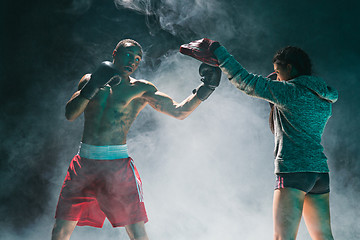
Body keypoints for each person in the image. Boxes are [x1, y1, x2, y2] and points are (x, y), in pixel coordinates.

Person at [51, 38, 221, 240]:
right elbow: (70, 114)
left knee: (137, 233)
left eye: (138, 58)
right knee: (60, 232)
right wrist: (93, 84)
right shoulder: (90, 79)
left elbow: (179, 111)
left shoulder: (140, 89)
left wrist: (207, 88)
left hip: (118, 167)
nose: (133, 61)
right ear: (115, 53)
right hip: (84, 165)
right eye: (128, 55)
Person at [181, 38, 338, 240]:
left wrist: (217, 51)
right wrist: (278, 86)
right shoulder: (324, 98)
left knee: (283, 238)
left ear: (289, 67)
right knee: (324, 236)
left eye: (278, 71)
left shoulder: (288, 91)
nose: (277, 77)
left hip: (294, 172)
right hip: (319, 174)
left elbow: (244, 81)